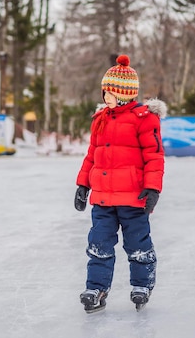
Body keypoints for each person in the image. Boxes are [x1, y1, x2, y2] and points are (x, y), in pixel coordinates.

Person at [74, 54, 166, 313]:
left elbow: (154, 156)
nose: (105, 97)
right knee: (99, 244)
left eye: (109, 92)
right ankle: (96, 287)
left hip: (133, 199)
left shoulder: (144, 118)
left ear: (123, 93)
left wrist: (153, 188)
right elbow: (92, 155)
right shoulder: (101, 119)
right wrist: (83, 185)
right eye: (104, 92)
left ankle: (142, 285)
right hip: (102, 198)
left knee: (137, 244)